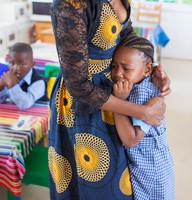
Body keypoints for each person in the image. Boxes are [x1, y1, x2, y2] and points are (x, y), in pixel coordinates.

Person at [49, 0, 171, 199]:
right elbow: (79, 86)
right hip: (86, 106)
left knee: (121, 181)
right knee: (96, 181)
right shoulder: (72, 4)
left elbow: (124, 34)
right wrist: (142, 112)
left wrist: (149, 69)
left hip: (116, 91)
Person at [111, 35, 175, 199]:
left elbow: (131, 139)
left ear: (147, 69)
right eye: (114, 66)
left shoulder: (141, 94)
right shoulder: (141, 84)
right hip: (157, 162)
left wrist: (118, 103)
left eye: (126, 69)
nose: (118, 74)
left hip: (150, 169)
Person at [0, 42, 48, 110]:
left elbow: (25, 104)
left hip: (40, 117)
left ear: (32, 64)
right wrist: (1, 85)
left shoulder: (39, 83)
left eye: (21, 64)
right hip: (16, 116)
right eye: (12, 63)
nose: (15, 68)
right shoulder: (8, 75)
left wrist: (12, 84)